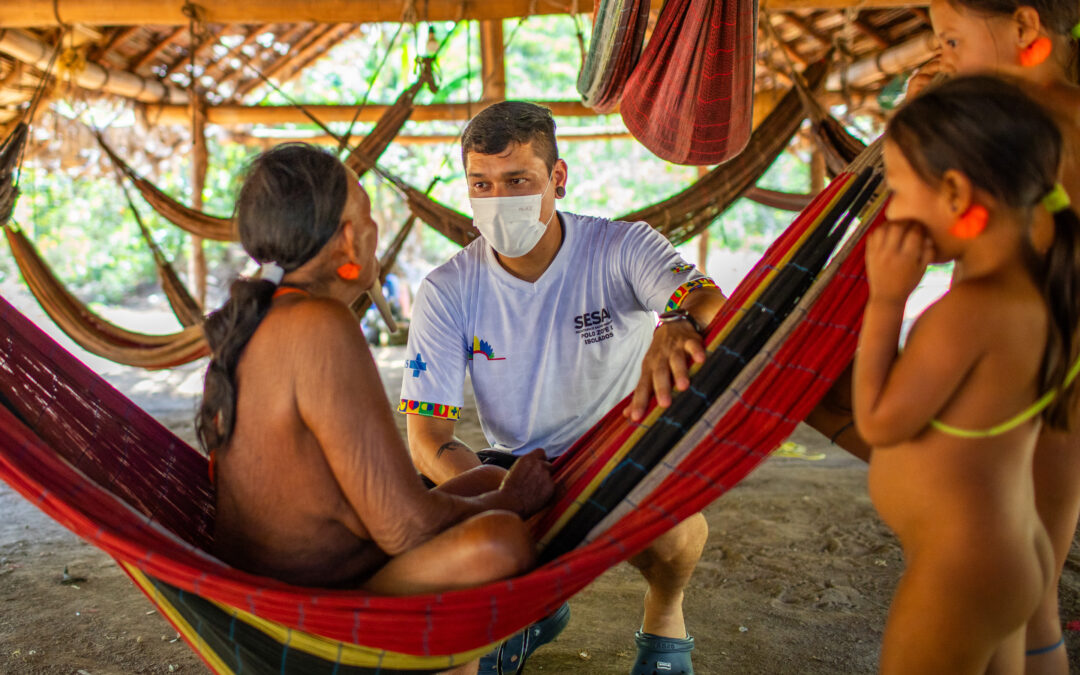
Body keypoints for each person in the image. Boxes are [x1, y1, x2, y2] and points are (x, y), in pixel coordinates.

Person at [196, 143, 555, 675]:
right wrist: (514, 501)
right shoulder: (319, 325)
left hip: (307, 573)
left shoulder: (264, 319)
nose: (373, 232)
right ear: (347, 238)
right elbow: (404, 530)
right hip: (311, 607)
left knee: (481, 476)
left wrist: (495, 492)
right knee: (502, 540)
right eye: (366, 216)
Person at [399, 101, 726, 675]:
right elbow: (427, 437)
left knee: (677, 524)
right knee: (440, 538)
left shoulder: (622, 248)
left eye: (518, 180)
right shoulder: (447, 290)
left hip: (621, 452)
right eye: (482, 184)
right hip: (515, 466)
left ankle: (664, 620)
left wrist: (676, 322)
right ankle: (533, 611)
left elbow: (707, 300)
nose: (499, 200)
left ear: (558, 179)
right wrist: (500, 499)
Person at [812, 3, 1080, 670]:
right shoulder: (1003, 131)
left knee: (1031, 599)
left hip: (1029, 392)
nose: (944, 56)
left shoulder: (1049, 130)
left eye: (952, 39)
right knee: (1025, 604)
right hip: (1011, 377)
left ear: (1024, 29)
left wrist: (888, 296)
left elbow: (881, 416)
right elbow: (963, 231)